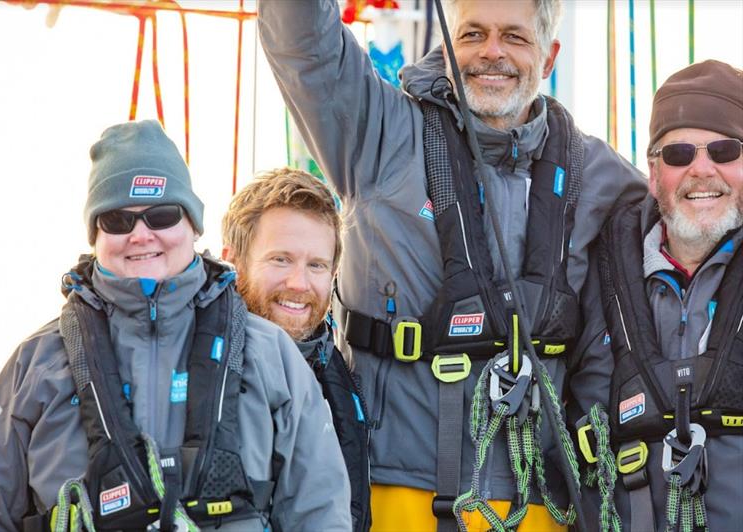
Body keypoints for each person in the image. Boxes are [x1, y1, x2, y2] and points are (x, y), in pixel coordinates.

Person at [257, 0, 648, 530]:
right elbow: (302, 44)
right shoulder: (378, 135)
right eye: (473, 34)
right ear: (447, 46)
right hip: (394, 495)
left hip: (544, 508)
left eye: (514, 37)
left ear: (549, 56)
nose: (491, 52)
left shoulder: (601, 178)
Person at [0, 120, 352, 532]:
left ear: (193, 225)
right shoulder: (35, 364)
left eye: (161, 215)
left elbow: (320, 511)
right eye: (118, 220)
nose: (141, 235)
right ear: (95, 234)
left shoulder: (271, 355)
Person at [581, 60, 743, 531]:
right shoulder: (598, 272)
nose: (701, 169)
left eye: (724, 149)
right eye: (678, 155)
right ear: (653, 175)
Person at [221, 167, 371, 532]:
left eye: (316, 265)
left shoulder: (337, 371)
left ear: (334, 273)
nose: (299, 284)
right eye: (280, 259)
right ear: (233, 261)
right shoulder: (201, 363)